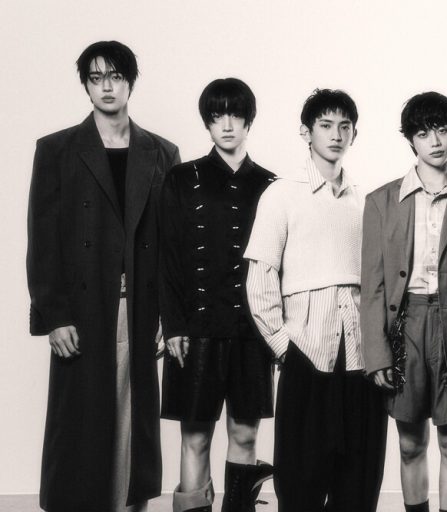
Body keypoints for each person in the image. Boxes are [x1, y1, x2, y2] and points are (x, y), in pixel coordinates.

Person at [26, 41, 179, 512]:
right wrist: (54, 316)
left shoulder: (161, 152)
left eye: (115, 76)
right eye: (96, 78)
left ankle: (130, 503)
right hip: (83, 308)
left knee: (133, 416)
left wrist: (170, 317)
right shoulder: (56, 150)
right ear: (86, 86)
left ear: (130, 81)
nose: (106, 86)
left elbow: (171, 245)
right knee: (80, 421)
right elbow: (43, 239)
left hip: (140, 306)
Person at [245, 88, 387, 512]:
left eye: (345, 126)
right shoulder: (281, 193)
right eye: (326, 125)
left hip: (360, 356)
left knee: (359, 480)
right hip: (305, 352)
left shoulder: (365, 200)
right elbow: (261, 277)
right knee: (300, 480)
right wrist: (284, 347)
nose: (336, 135)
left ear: (355, 134)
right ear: (306, 132)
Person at [362, 91, 447, 512]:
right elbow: (373, 286)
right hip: (404, 328)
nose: (435, 141)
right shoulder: (381, 202)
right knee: (409, 443)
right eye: (424, 133)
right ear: (410, 140)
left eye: (442, 130)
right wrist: (376, 353)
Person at [159, 78, 276, 512]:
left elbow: (277, 268)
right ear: (207, 122)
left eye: (235, 115)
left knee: (245, 433)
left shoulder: (270, 185)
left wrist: (277, 334)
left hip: (252, 332)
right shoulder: (181, 178)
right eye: (216, 115)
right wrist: (173, 325)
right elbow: (168, 257)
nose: (226, 125)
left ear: (249, 121)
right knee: (195, 435)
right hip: (195, 329)